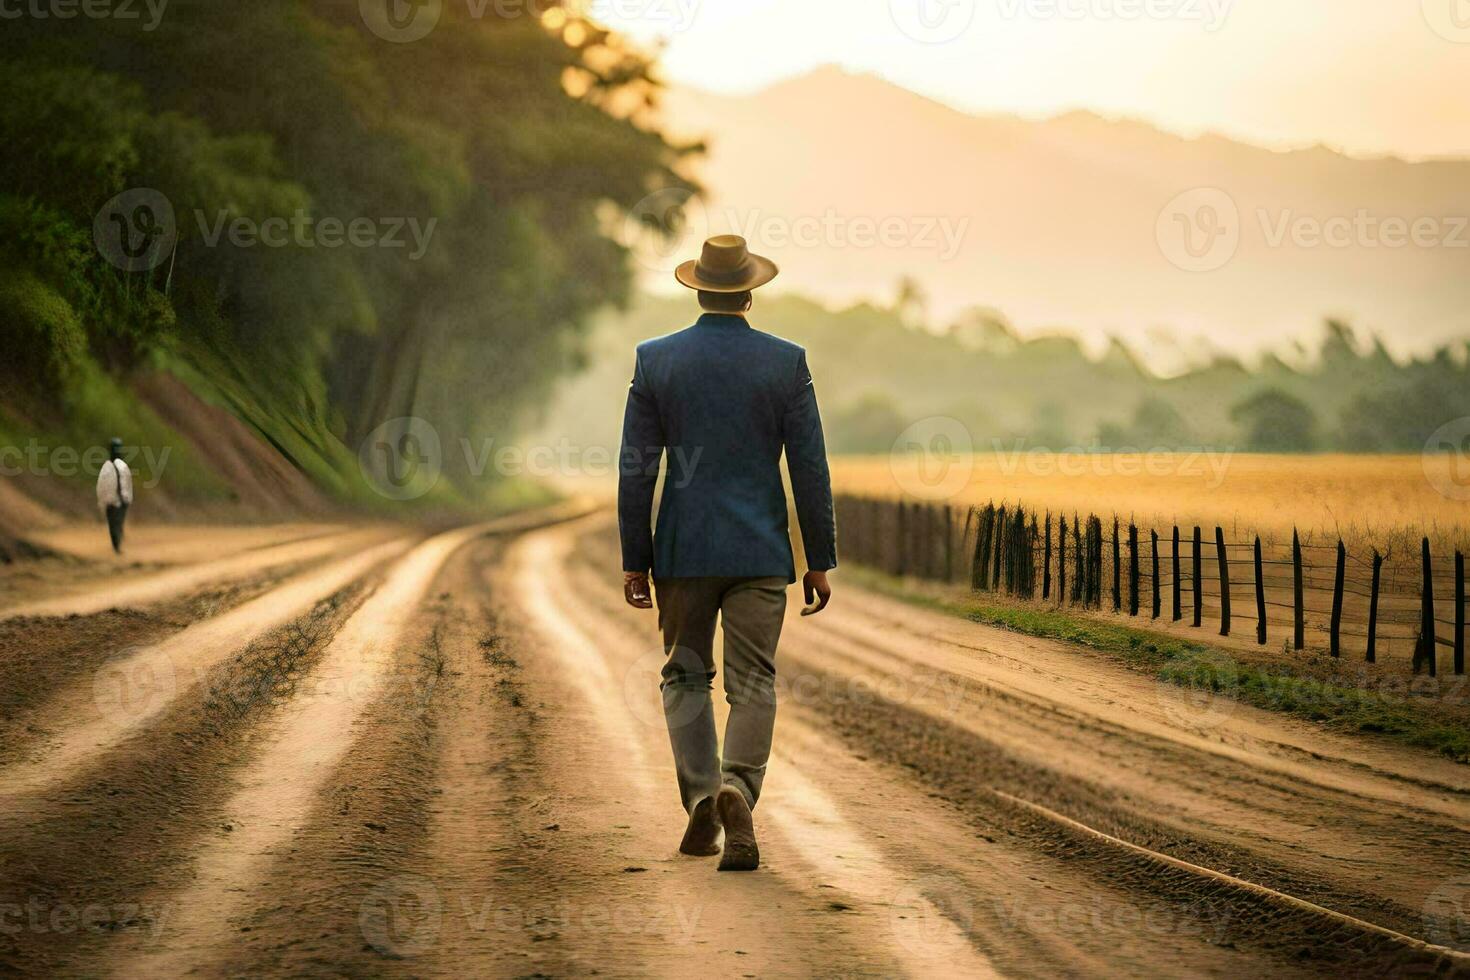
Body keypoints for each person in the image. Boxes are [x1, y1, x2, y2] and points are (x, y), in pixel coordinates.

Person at [618, 234, 836, 872]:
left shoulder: (656, 360)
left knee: (685, 676)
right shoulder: (785, 362)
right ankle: (739, 787)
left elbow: (638, 470)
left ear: (698, 288)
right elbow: (810, 468)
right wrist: (818, 557)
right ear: (749, 292)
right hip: (761, 552)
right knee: (754, 681)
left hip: (683, 554)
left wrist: (637, 556)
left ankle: (702, 798)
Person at [96, 437, 134, 554]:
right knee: (114, 523)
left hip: (121, 500)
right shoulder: (109, 467)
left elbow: (127, 483)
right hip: (112, 500)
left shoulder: (121, 466)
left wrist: (127, 498)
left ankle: (117, 543)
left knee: (117, 523)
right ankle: (116, 545)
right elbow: (102, 485)